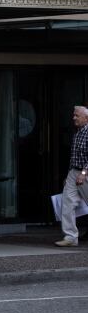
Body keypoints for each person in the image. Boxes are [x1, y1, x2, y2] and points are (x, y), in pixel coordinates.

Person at [55, 106, 88, 247]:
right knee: (67, 203)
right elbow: (74, 156)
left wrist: (84, 173)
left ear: (86, 118)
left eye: (77, 115)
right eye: (74, 115)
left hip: (85, 172)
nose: (74, 118)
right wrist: (69, 174)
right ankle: (71, 237)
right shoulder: (78, 132)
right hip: (74, 172)